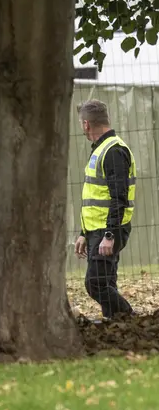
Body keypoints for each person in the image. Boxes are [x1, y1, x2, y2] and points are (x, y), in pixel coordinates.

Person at [74, 99, 136, 319]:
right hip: (97, 230)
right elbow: (96, 197)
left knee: (95, 284)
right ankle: (116, 325)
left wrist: (109, 234)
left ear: (86, 125)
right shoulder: (102, 149)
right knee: (107, 282)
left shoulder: (113, 151)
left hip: (107, 230)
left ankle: (131, 319)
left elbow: (119, 198)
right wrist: (84, 233)